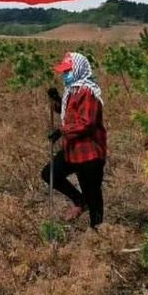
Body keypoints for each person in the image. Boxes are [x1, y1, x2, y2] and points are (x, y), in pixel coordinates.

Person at [42, 51, 107, 228]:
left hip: (90, 153)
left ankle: (99, 235)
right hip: (73, 151)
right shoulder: (73, 91)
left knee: (93, 194)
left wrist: (62, 131)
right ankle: (80, 201)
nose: (65, 75)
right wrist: (57, 102)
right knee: (49, 173)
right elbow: (70, 114)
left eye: (68, 71)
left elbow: (87, 123)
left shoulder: (87, 92)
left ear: (78, 70)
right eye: (64, 71)